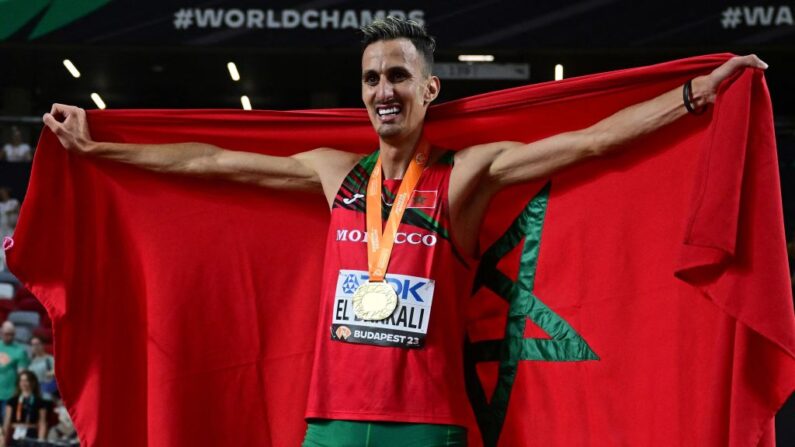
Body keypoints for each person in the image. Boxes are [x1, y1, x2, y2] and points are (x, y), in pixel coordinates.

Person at [41, 17, 766, 447]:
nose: (381, 90)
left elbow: (589, 142)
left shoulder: (466, 175)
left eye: (396, 75)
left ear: (428, 89)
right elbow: (209, 160)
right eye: (369, 79)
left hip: (426, 423)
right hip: (327, 419)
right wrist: (99, 146)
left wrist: (694, 95)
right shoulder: (336, 173)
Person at [0, 371, 47, 446]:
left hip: (31, 433)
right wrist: (3, 440)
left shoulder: (40, 402)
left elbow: (42, 422)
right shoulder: (12, 401)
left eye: (26, 380)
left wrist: (41, 441)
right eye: (21, 380)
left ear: (32, 382)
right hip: (15, 433)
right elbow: (7, 422)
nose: (23, 383)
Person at [0, 323, 28, 424]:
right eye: (7, 334)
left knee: (5, 423)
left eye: (12, 334)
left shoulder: (20, 351)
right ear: (1, 333)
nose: (9, 336)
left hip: (9, 394)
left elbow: (22, 374)